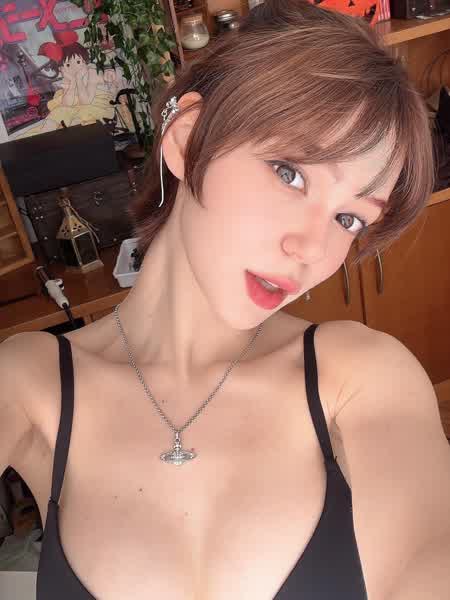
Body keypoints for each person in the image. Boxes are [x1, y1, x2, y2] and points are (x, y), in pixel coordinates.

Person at [1, 1, 450, 598]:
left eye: (348, 218)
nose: (310, 248)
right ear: (188, 142)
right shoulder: (30, 384)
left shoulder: (362, 376)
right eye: (290, 173)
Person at [17, 30, 116, 138]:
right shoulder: (68, 79)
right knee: (59, 111)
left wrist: (79, 80)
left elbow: (86, 101)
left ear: (84, 60)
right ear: (61, 69)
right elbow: (68, 103)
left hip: (96, 106)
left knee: (76, 119)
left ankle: (63, 134)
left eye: (78, 62)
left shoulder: (91, 73)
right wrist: (72, 83)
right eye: (68, 65)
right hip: (76, 107)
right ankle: (45, 134)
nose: (75, 67)